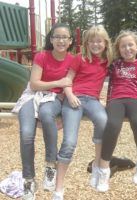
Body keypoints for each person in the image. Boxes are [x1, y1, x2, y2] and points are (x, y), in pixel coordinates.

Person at [12, 23, 74, 200]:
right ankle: (29, 180)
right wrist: (58, 83)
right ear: (51, 39)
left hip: (54, 98)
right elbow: (34, 84)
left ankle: (50, 164)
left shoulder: (73, 60)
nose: (61, 40)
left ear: (70, 41)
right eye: (57, 36)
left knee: (47, 115)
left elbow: (71, 83)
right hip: (32, 95)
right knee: (26, 134)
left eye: (65, 37)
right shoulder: (42, 56)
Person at [52, 25, 113, 200]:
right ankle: (59, 187)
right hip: (75, 98)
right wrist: (69, 95)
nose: (95, 44)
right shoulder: (80, 58)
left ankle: (97, 165)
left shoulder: (106, 61)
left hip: (92, 100)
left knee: (103, 121)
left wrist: (103, 100)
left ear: (105, 43)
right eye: (92, 41)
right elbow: (67, 80)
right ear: (86, 43)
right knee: (70, 141)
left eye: (99, 41)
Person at [97, 30, 137, 192]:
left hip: (136, 99)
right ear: (118, 49)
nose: (127, 49)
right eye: (123, 46)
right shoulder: (114, 64)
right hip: (116, 99)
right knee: (112, 124)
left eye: (130, 45)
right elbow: (94, 74)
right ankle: (104, 170)